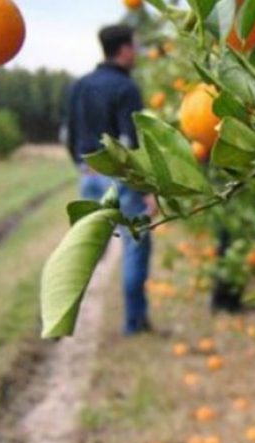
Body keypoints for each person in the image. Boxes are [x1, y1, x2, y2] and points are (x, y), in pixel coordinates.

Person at [66, 25, 156, 335]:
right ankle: (134, 323)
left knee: (87, 250)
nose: (138, 53)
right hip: (120, 179)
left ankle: (58, 312)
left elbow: (71, 134)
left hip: (88, 175)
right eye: (135, 46)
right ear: (124, 49)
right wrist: (147, 188)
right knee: (135, 244)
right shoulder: (125, 88)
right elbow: (131, 143)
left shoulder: (81, 86)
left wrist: (82, 166)